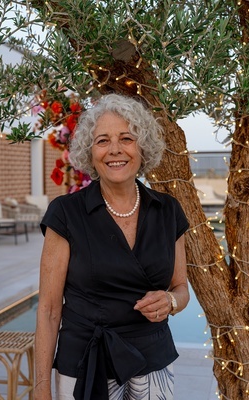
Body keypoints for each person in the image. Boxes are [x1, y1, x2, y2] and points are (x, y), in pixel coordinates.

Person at [34, 93, 190, 400]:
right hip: (85, 363)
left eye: (126, 138)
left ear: (142, 147)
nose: (115, 150)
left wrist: (170, 302)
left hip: (153, 360)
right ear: (89, 153)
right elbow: (50, 310)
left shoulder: (168, 211)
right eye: (102, 140)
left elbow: (181, 288)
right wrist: (41, 387)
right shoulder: (66, 213)